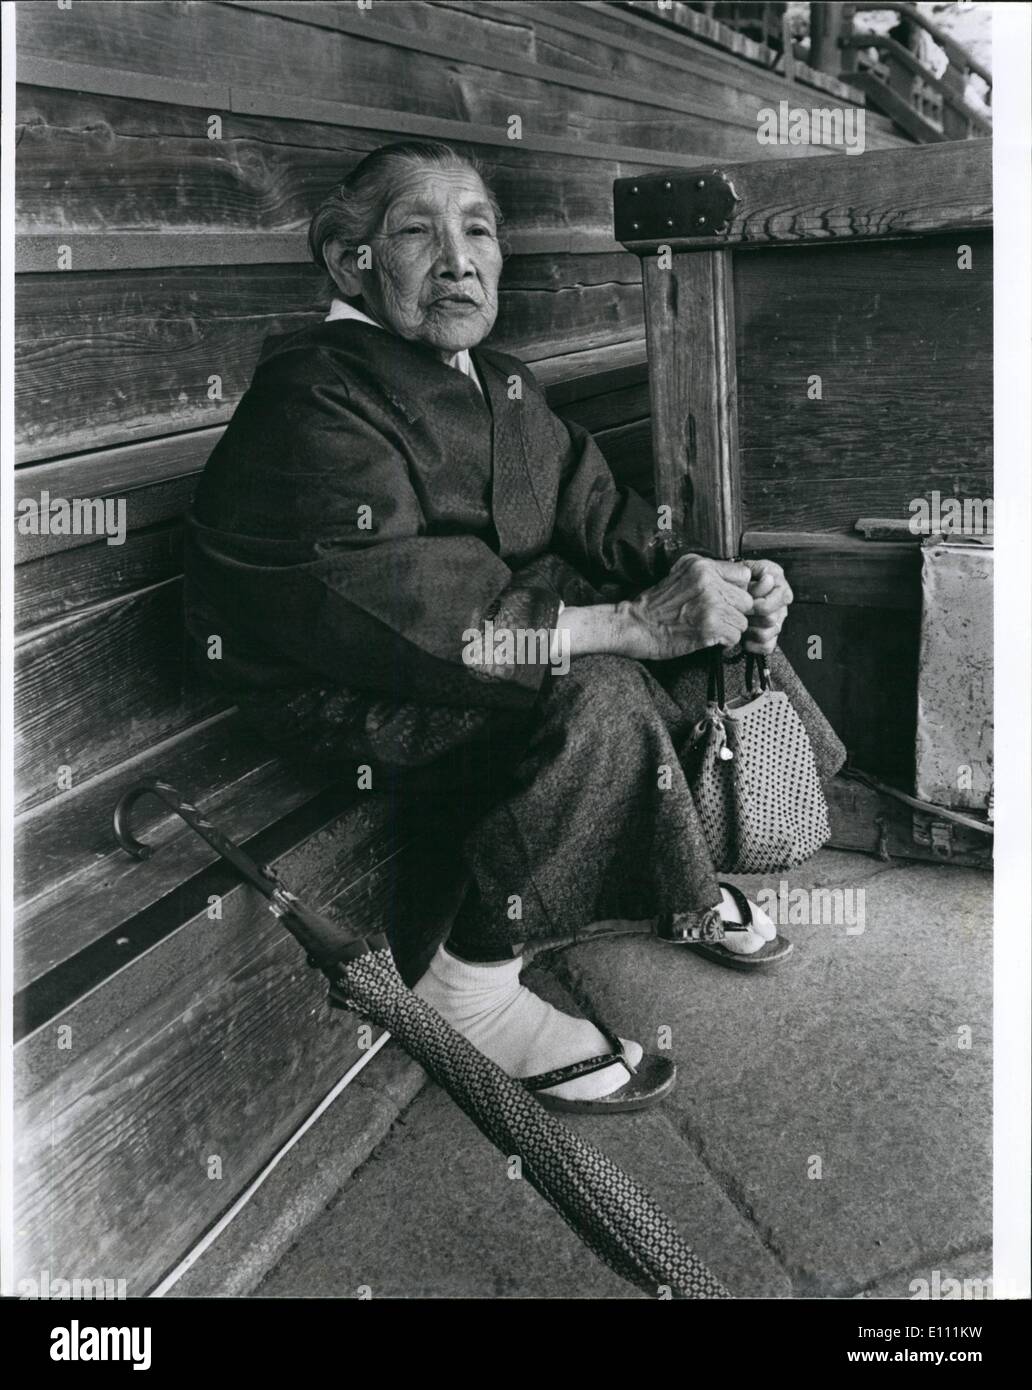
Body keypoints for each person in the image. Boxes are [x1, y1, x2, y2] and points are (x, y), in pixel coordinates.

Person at [183, 141, 844, 1114]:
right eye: (417, 231)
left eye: (478, 229)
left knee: (708, 632)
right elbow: (398, 608)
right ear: (348, 261)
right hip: (346, 682)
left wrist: (709, 580)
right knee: (602, 688)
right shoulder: (309, 398)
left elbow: (607, 520)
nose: (458, 259)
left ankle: (680, 871)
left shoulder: (500, 384)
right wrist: (622, 623)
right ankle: (471, 989)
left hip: (484, 636)